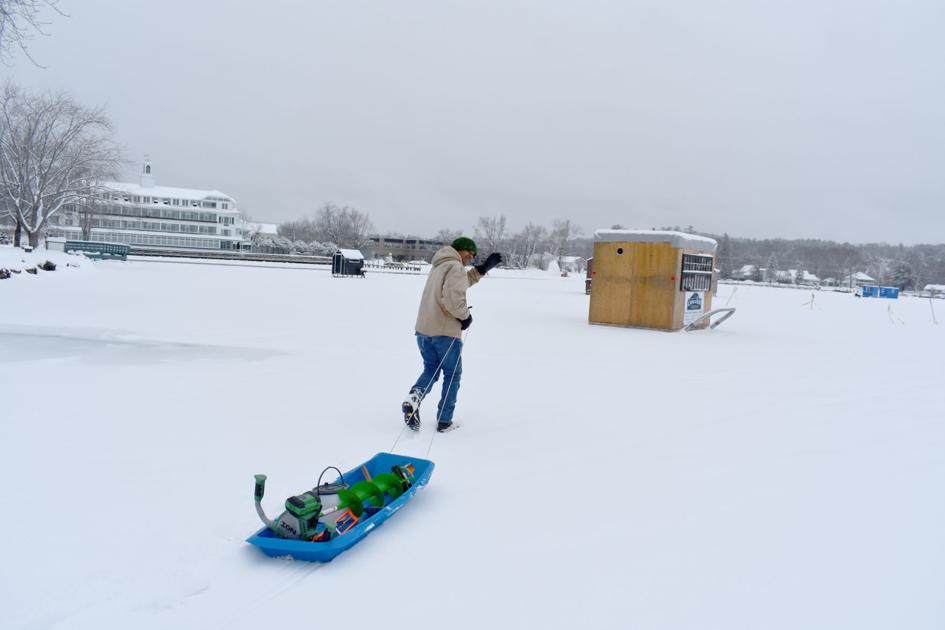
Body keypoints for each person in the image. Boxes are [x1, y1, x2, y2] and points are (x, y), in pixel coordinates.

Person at [402, 237, 502, 433]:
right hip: (445, 332)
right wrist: (465, 317)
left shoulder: (440, 264)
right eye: (469, 253)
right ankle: (444, 421)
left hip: (424, 330)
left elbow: (458, 284)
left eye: (474, 255)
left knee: (431, 369)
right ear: (459, 250)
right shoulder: (455, 267)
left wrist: (481, 270)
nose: (471, 257)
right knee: (452, 374)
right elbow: (452, 296)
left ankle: (414, 397)